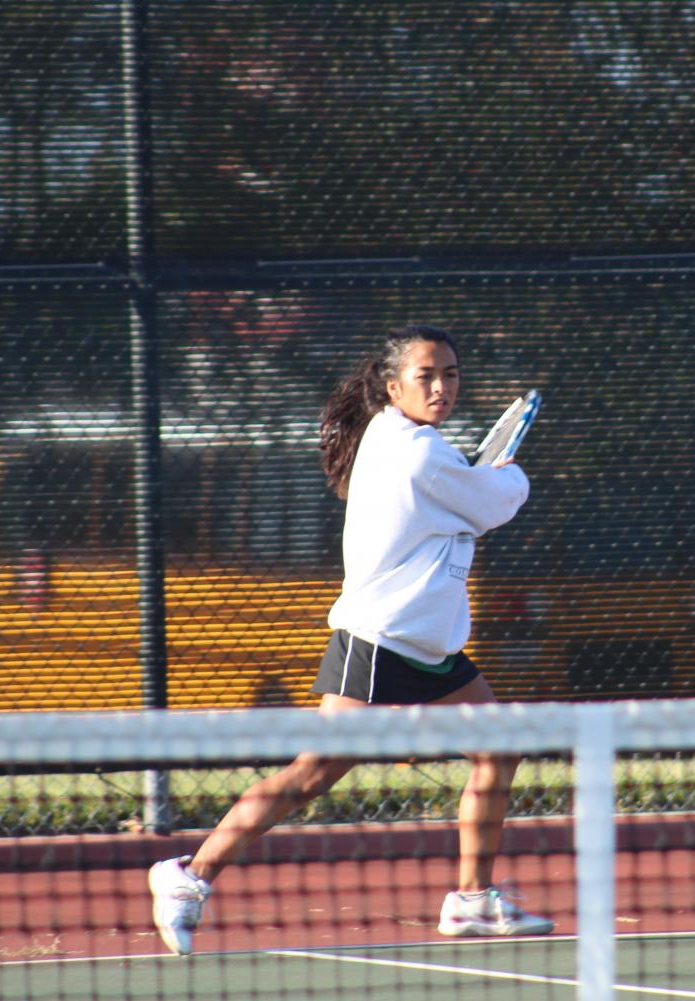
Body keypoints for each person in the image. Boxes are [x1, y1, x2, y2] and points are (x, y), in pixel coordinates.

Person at [148, 324, 553, 955]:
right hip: (380, 643)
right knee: (313, 773)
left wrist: (485, 486)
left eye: (450, 374)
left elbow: (468, 504)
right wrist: (509, 476)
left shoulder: (413, 443)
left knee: (499, 749)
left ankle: (472, 899)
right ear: (395, 387)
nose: (442, 386)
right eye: (427, 376)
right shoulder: (416, 451)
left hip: (429, 645)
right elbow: (492, 503)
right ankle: (188, 878)